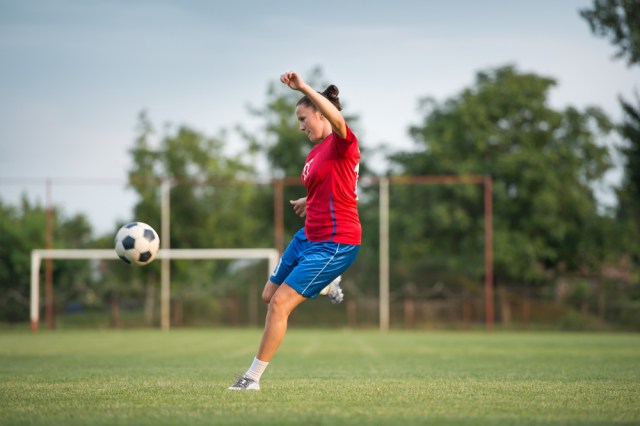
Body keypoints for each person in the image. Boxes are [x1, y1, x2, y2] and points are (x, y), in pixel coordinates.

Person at [228, 71, 361, 391]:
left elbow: (338, 121)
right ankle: (328, 285)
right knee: (268, 296)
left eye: (304, 118)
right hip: (307, 237)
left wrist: (302, 87)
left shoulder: (344, 143)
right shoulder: (315, 153)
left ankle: (251, 379)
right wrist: (309, 199)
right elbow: (334, 186)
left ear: (321, 112)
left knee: (280, 304)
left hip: (336, 243)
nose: (301, 126)